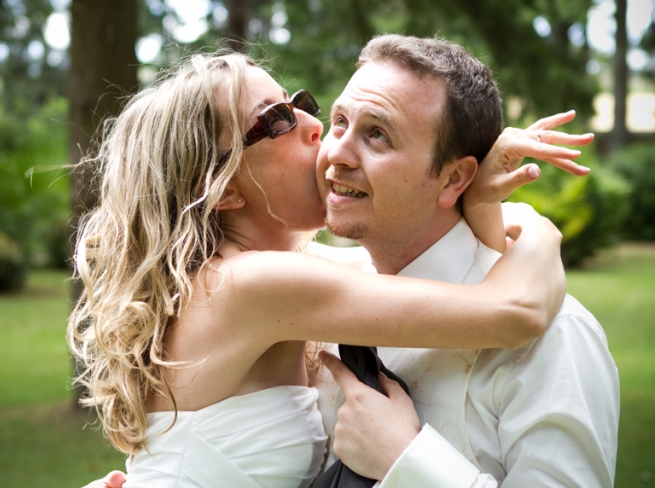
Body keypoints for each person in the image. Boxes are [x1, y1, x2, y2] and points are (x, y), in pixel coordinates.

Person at [70, 50, 585, 488]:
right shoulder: (255, 285)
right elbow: (515, 310)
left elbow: (408, 261)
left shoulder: (259, 274)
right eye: (275, 120)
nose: (317, 128)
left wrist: (477, 200)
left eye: (301, 104)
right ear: (224, 188)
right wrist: (537, 227)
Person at [315, 34, 619, 487]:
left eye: (377, 134)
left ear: (454, 178)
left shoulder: (555, 339)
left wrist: (406, 462)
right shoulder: (313, 300)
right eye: (339, 121)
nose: (336, 152)